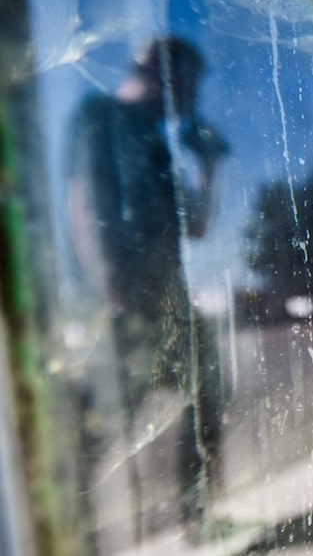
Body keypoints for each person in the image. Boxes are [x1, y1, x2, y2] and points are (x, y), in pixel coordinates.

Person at [65, 37, 229, 543]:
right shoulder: (101, 115)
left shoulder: (157, 143)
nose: (191, 101)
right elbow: (84, 204)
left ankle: (197, 518)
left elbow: (197, 225)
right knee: (101, 424)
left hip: (165, 300)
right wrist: (110, 292)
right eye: (189, 87)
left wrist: (209, 166)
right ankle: (69, 537)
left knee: (209, 387)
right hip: (123, 302)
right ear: (162, 72)